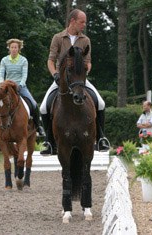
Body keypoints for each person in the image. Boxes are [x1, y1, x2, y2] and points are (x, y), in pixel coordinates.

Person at [39, 9, 110, 155]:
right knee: (43, 108)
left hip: (79, 79)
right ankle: (49, 141)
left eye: (85, 22)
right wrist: (55, 74)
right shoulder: (58, 38)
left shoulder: (85, 40)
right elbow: (50, 60)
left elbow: (88, 62)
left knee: (101, 103)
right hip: (62, 79)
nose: (84, 25)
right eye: (82, 22)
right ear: (72, 21)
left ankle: (101, 138)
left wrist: (85, 72)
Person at [0, 38, 45, 138]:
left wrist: (20, 85)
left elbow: (24, 75)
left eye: (16, 47)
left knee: (33, 104)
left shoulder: (23, 60)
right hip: (6, 87)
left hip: (20, 86)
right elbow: (1, 74)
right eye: (12, 47)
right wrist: (2, 85)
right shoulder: (4, 60)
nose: (14, 49)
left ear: (19, 48)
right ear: (9, 48)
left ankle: (39, 127)